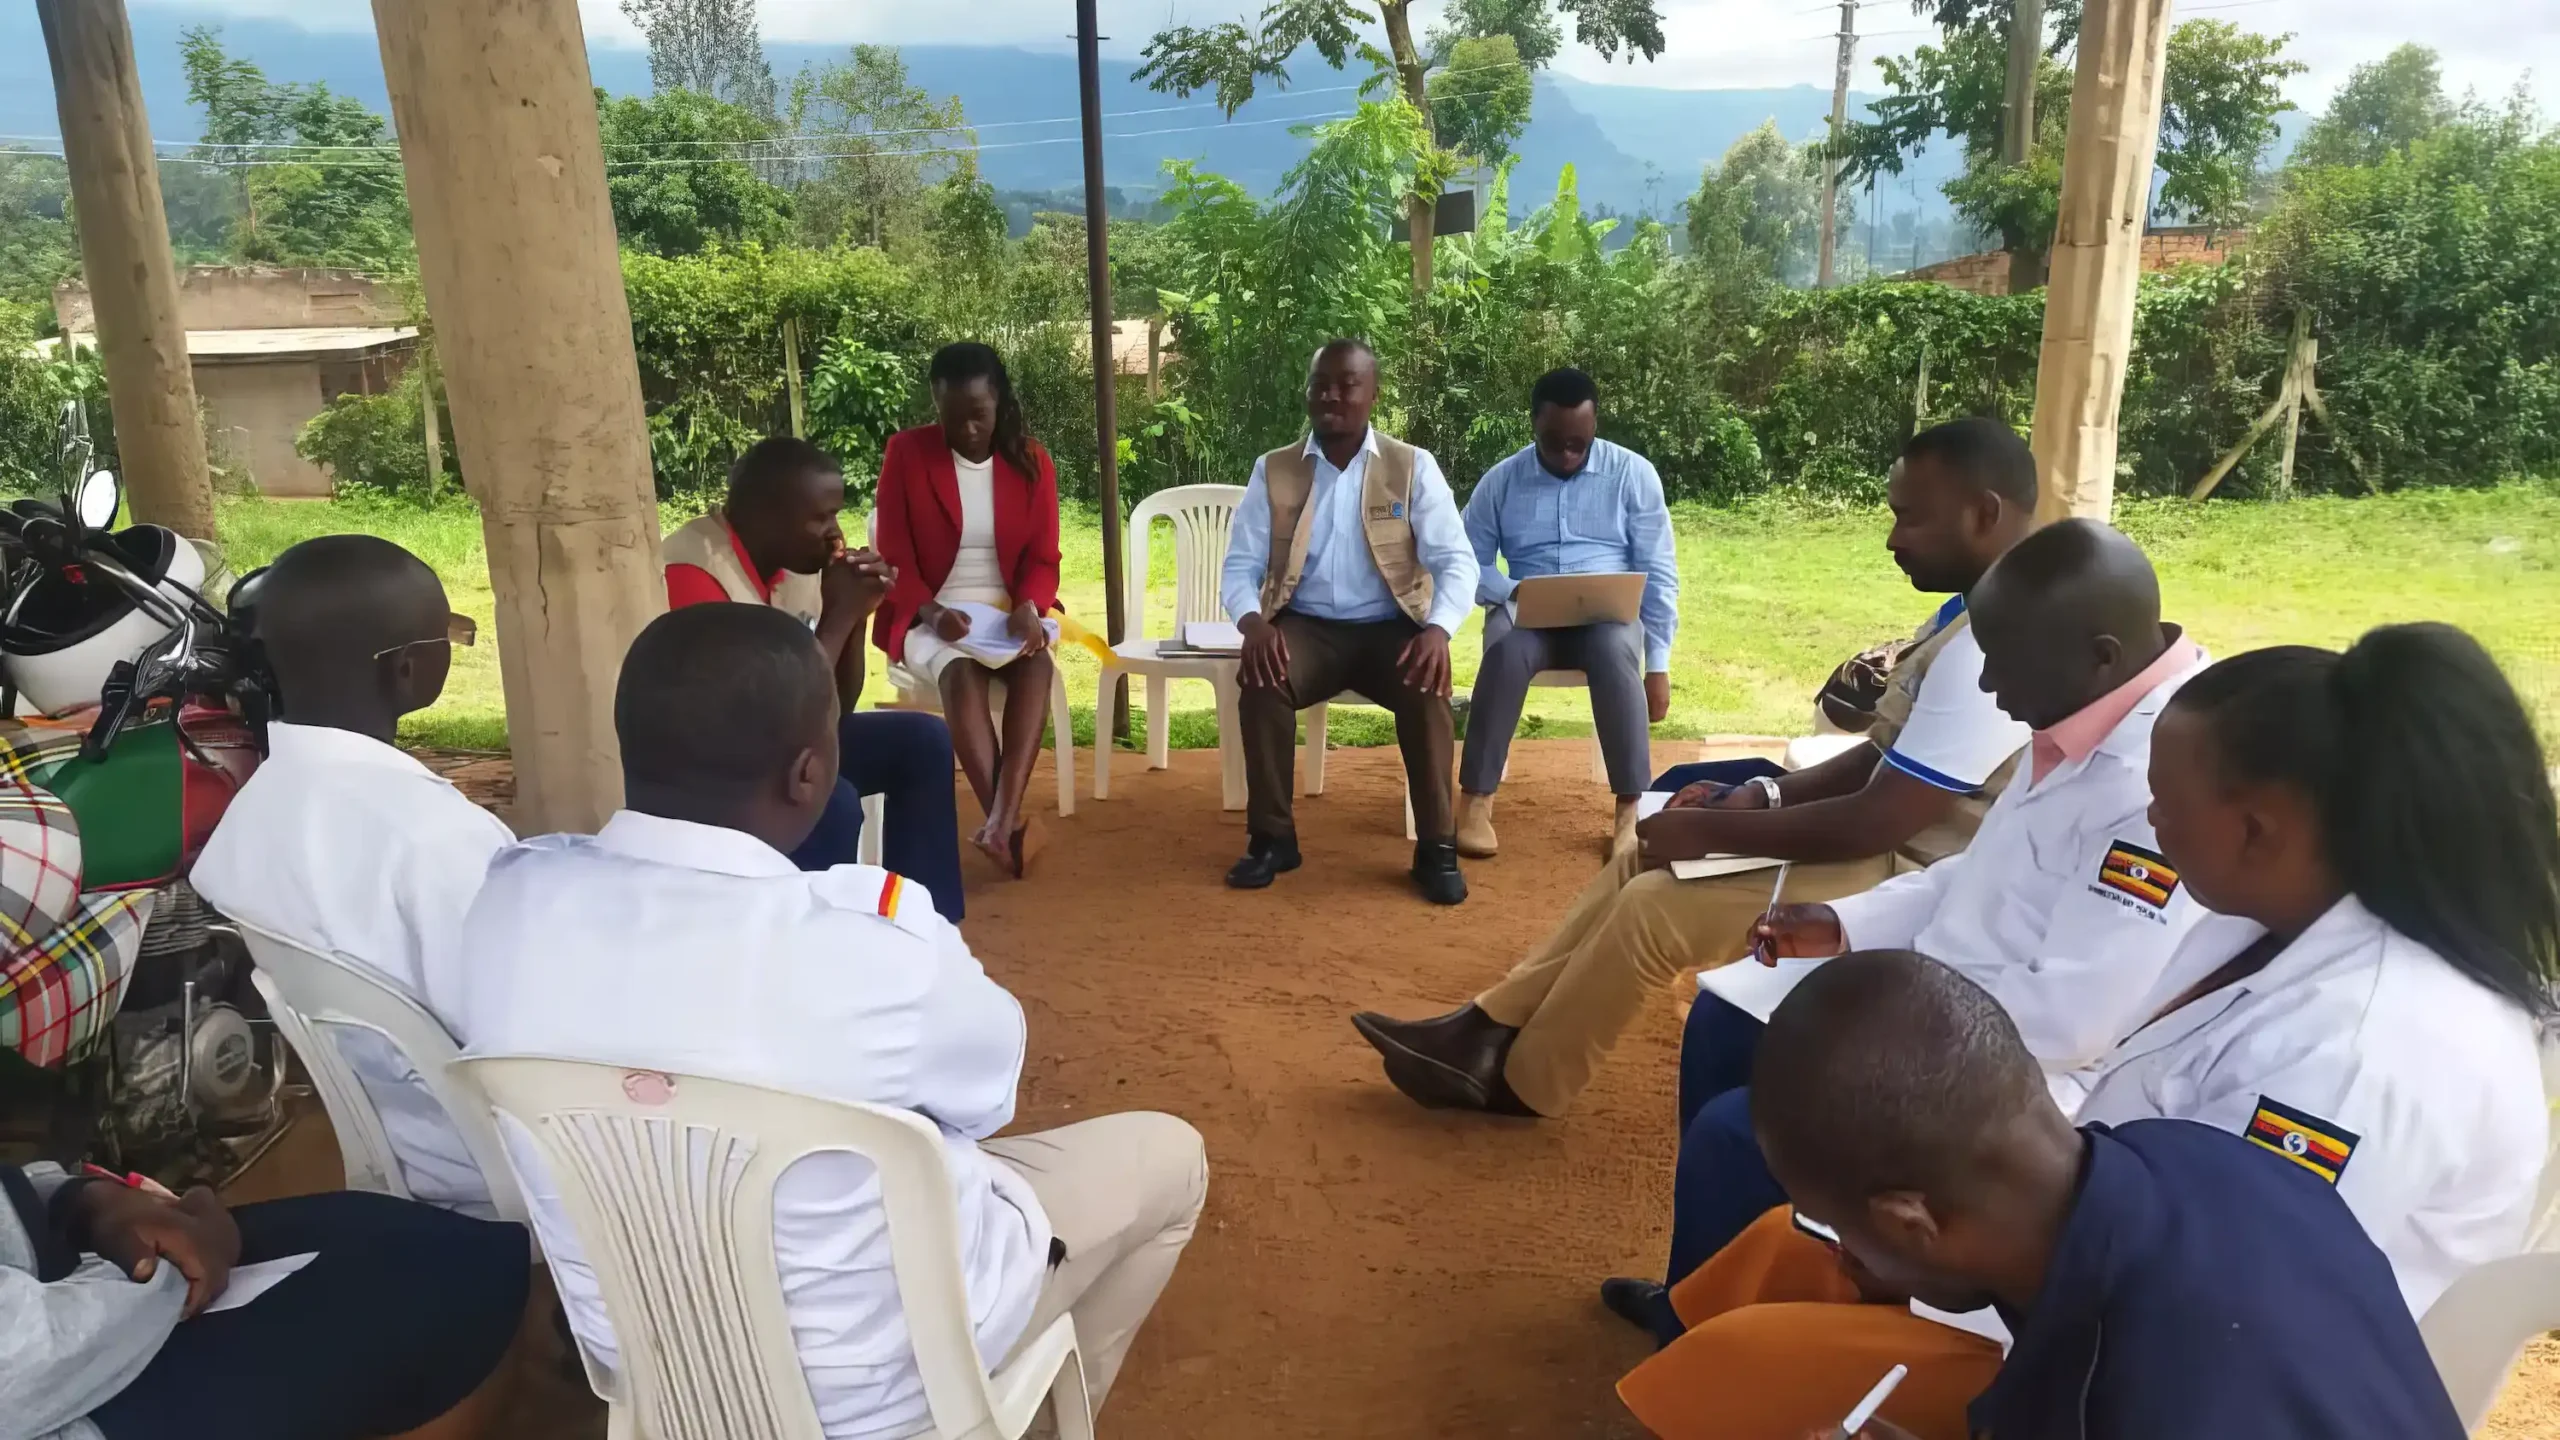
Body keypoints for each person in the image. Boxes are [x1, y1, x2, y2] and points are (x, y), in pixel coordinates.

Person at [454, 604, 1206, 1438]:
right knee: (1172, 1158)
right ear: (810, 773)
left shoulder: (510, 903)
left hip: (649, 1358)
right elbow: (991, 1098)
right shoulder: (870, 937)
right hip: (884, 1388)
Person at [1608, 518, 2213, 1325]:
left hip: (2026, 1079)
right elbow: (1982, 872)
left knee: (1735, 1136)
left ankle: (1721, 1341)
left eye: (2006, 659)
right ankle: (1716, 1293)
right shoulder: (2083, 706)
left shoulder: (2158, 777)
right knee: (1727, 1019)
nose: (1991, 685)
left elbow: (2078, 1019)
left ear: (2099, 653)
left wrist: (1893, 1011)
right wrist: (1843, 925)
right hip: (1947, 1004)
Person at [1352, 418, 2038, 1116]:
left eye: (1908, 518)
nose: (1892, 539)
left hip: (1920, 875)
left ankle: (1524, 1082)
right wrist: (1758, 797)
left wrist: (1720, 830)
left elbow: (1879, 818)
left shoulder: (1993, 644)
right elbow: (1885, 757)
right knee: (1638, 857)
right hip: (1888, 845)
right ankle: (1487, 1025)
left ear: (1983, 513)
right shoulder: (1973, 613)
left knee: (1658, 908)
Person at [1617, 952, 2469, 1440]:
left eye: (1841, 1231)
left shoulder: (2146, 1395)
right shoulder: (2188, 1158)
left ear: (1911, 1219)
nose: (1841, 1259)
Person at [192, 534, 513, 1216]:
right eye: (445, 637)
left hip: (412, 1142)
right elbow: (525, 1032)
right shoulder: (436, 839)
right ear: (406, 670)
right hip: (511, 1165)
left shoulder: (254, 807)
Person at [1, 1159, 533, 1440]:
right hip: (58, 1398)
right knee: (460, 1284)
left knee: (409, 1246)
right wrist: (174, 1263)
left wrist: (91, 1201)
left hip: (63, 1294)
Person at [663, 435, 968, 923]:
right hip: (719, 770)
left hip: (778, 744)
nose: (835, 534)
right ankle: (811, 945)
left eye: (835, 515)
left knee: (922, 740)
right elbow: (764, 721)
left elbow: (837, 704)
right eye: (820, 518)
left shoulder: (796, 562)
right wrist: (839, 616)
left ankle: (928, 927)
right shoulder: (694, 572)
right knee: (832, 799)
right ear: (766, 516)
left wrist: (857, 612)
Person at [1220, 338, 1481, 904]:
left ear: (1373, 394)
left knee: (1427, 680)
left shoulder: (1411, 466)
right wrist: (1253, 624)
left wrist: (1438, 630)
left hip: (1392, 628)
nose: (1331, 396)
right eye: (1320, 385)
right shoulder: (1275, 470)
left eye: (1346, 385)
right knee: (1262, 675)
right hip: (1307, 627)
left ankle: (1436, 847)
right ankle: (1272, 837)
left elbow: (1457, 561)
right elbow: (1239, 567)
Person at [1454, 367, 1680, 856]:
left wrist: (1658, 664)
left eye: (1579, 442)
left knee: (1616, 649)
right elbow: (1462, 561)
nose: (1568, 455)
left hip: (1605, 618)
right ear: (1533, 424)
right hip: (1527, 615)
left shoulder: (1632, 475)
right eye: (1554, 443)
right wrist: (1511, 590)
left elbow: (1658, 571)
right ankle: (1475, 802)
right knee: (1505, 651)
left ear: (1596, 424)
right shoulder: (1502, 481)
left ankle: (1629, 810)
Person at [873, 342, 1066, 879]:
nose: (967, 430)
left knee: (1038, 664)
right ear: (936, 405)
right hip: (929, 613)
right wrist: (932, 613)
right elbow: (893, 557)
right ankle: (1004, 826)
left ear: (999, 402)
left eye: (978, 415)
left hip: (1004, 612)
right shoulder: (907, 454)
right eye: (952, 418)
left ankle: (1000, 825)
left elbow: (1043, 556)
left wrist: (1029, 606)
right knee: (959, 674)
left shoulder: (1031, 461)